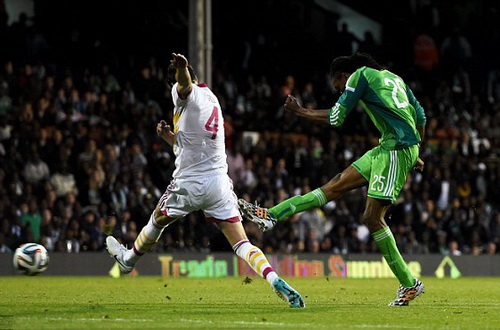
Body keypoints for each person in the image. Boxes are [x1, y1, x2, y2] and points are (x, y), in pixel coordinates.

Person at [106, 53, 304, 308]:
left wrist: (181, 68)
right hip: (218, 184)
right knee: (242, 243)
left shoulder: (183, 93)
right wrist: (170, 137)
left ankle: (128, 260)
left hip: (188, 184)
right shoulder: (212, 99)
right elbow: (192, 144)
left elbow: (185, 86)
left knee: (157, 220)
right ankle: (273, 278)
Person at [239, 53, 426, 306]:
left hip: (396, 149)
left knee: (372, 218)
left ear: (342, 76)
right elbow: (421, 117)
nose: (340, 91)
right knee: (334, 185)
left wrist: (299, 111)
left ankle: (409, 283)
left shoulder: (360, 75)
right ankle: (271, 215)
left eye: (338, 86)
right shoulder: (396, 79)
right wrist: (417, 151)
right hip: (389, 147)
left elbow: (336, 117)